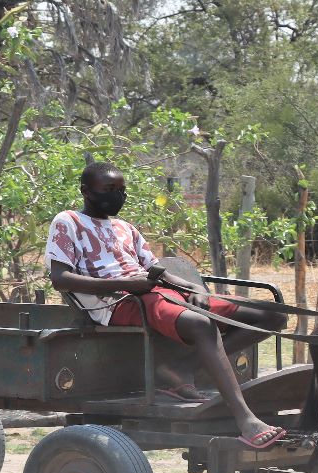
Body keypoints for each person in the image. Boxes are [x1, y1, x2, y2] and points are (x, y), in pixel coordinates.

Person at [47, 162, 289, 449]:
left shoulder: (126, 228)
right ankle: (246, 419)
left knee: (272, 316)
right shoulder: (68, 221)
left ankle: (181, 369)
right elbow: (60, 279)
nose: (118, 196)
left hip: (152, 292)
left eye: (122, 190)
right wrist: (127, 285)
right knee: (200, 324)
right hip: (115, 302)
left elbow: (156, 271)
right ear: (86, 191)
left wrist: (194, 288)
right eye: (110, 190)